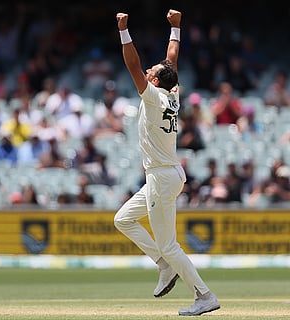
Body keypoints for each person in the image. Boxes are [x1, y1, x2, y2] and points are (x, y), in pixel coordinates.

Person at [113, 9, 220, 316]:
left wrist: (124, 31)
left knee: (170, 245)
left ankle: (204, 295)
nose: (146, 71)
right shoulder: (171, 93)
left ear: (155, 80)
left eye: (151, 72)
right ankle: (163, 265)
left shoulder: (154, 97)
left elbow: (132, 65)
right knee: (123, 219)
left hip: (161, 177)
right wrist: (176, 28)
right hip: (165, 174)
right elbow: (170, 61)